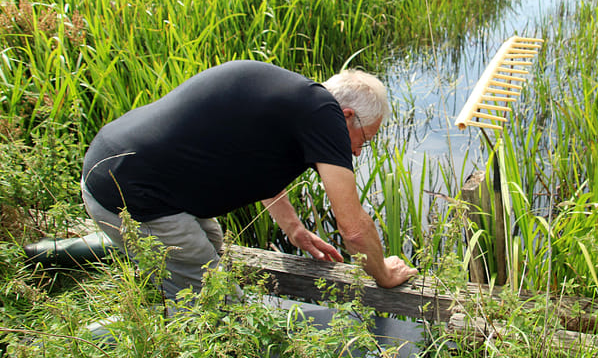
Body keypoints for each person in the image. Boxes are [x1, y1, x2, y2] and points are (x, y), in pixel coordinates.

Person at [81, 60, 418, 301]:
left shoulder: (294, 100)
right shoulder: (324, 115)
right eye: (364, 138)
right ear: (347, 115)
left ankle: (154, 289)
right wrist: (384, 275)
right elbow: (354, 228)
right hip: (129, 193)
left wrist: (294, 229)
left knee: (211, 247)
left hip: (116, 165)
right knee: (216, 302)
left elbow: (259, 166)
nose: (358, 152)